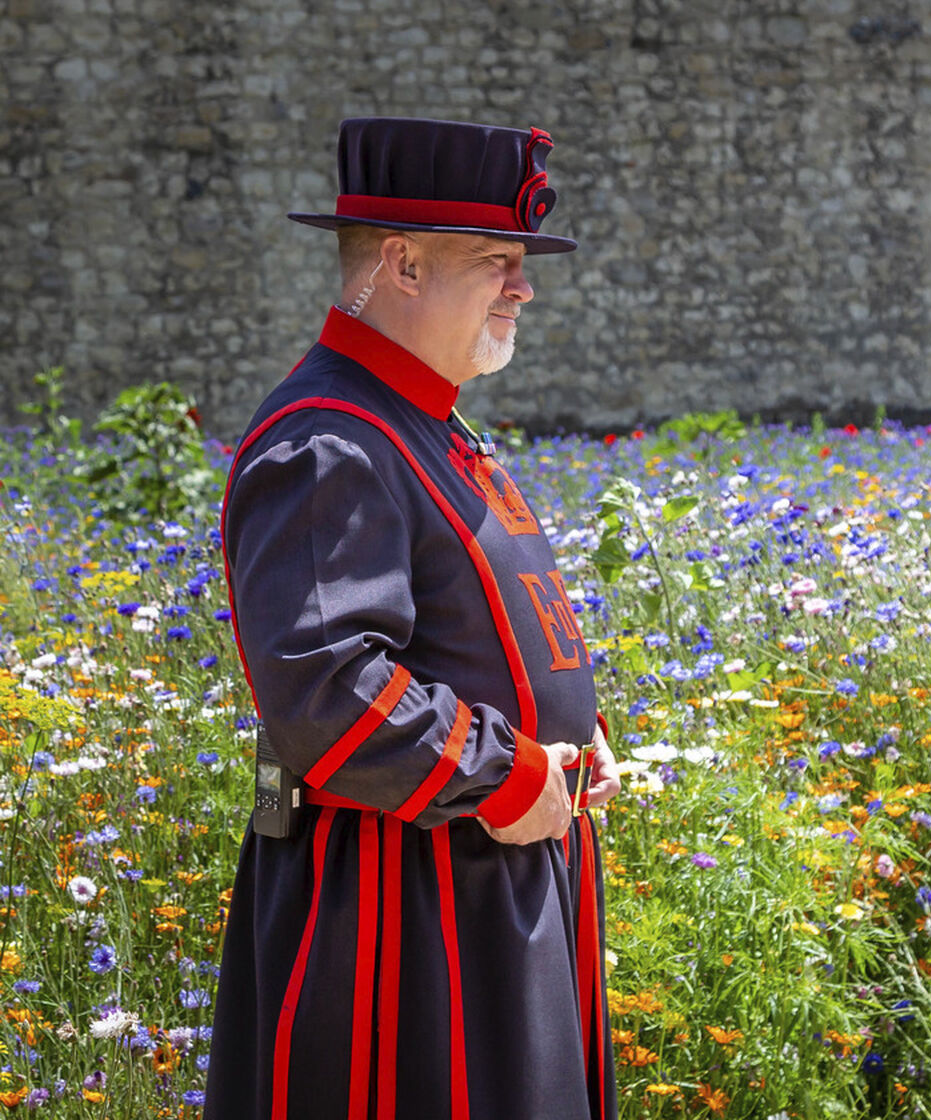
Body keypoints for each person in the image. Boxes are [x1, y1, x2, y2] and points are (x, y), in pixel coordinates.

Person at [204, 117, 619, 1120]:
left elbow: (485, 624)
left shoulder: (422, 423)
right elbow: (327, 686)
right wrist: (506, 767)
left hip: (485, 885)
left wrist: (572, 735)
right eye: (495, 261)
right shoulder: (329, 442)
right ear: (400, 263)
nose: (521, 287)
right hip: (401, 916)